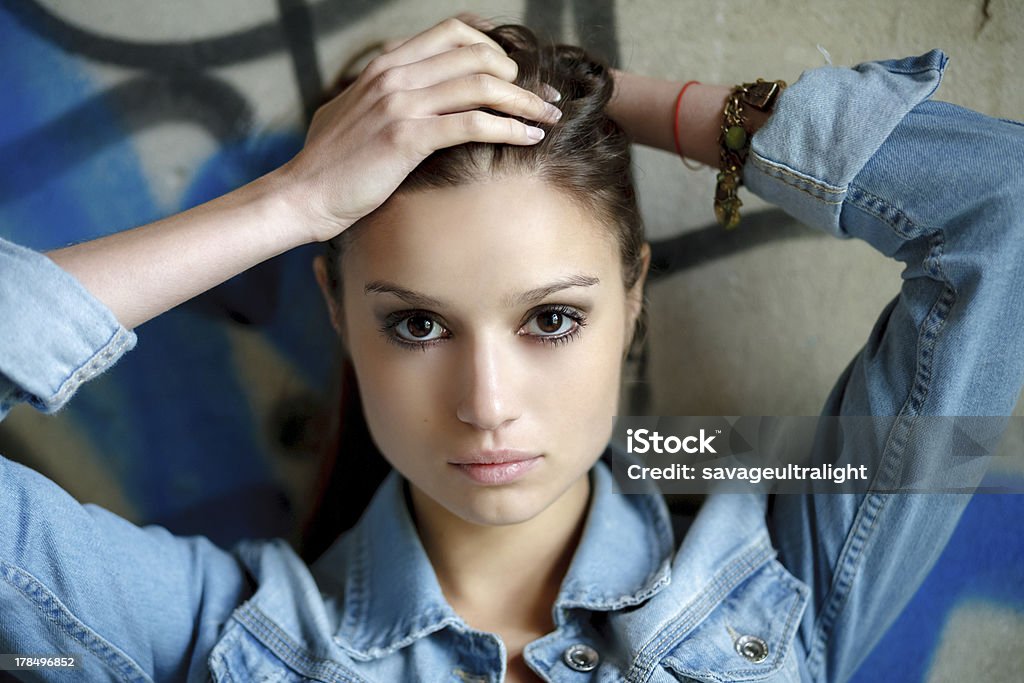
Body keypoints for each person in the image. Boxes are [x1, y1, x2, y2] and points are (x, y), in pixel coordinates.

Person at [1, 15, 1022, 683]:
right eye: (416, 322)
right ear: (338, 309)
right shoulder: (223, 638)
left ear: (630, 296)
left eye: (549, 318)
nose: (486, 402)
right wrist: (291, 202)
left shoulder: (783, 582)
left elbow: (998, 210)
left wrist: (594, 92)